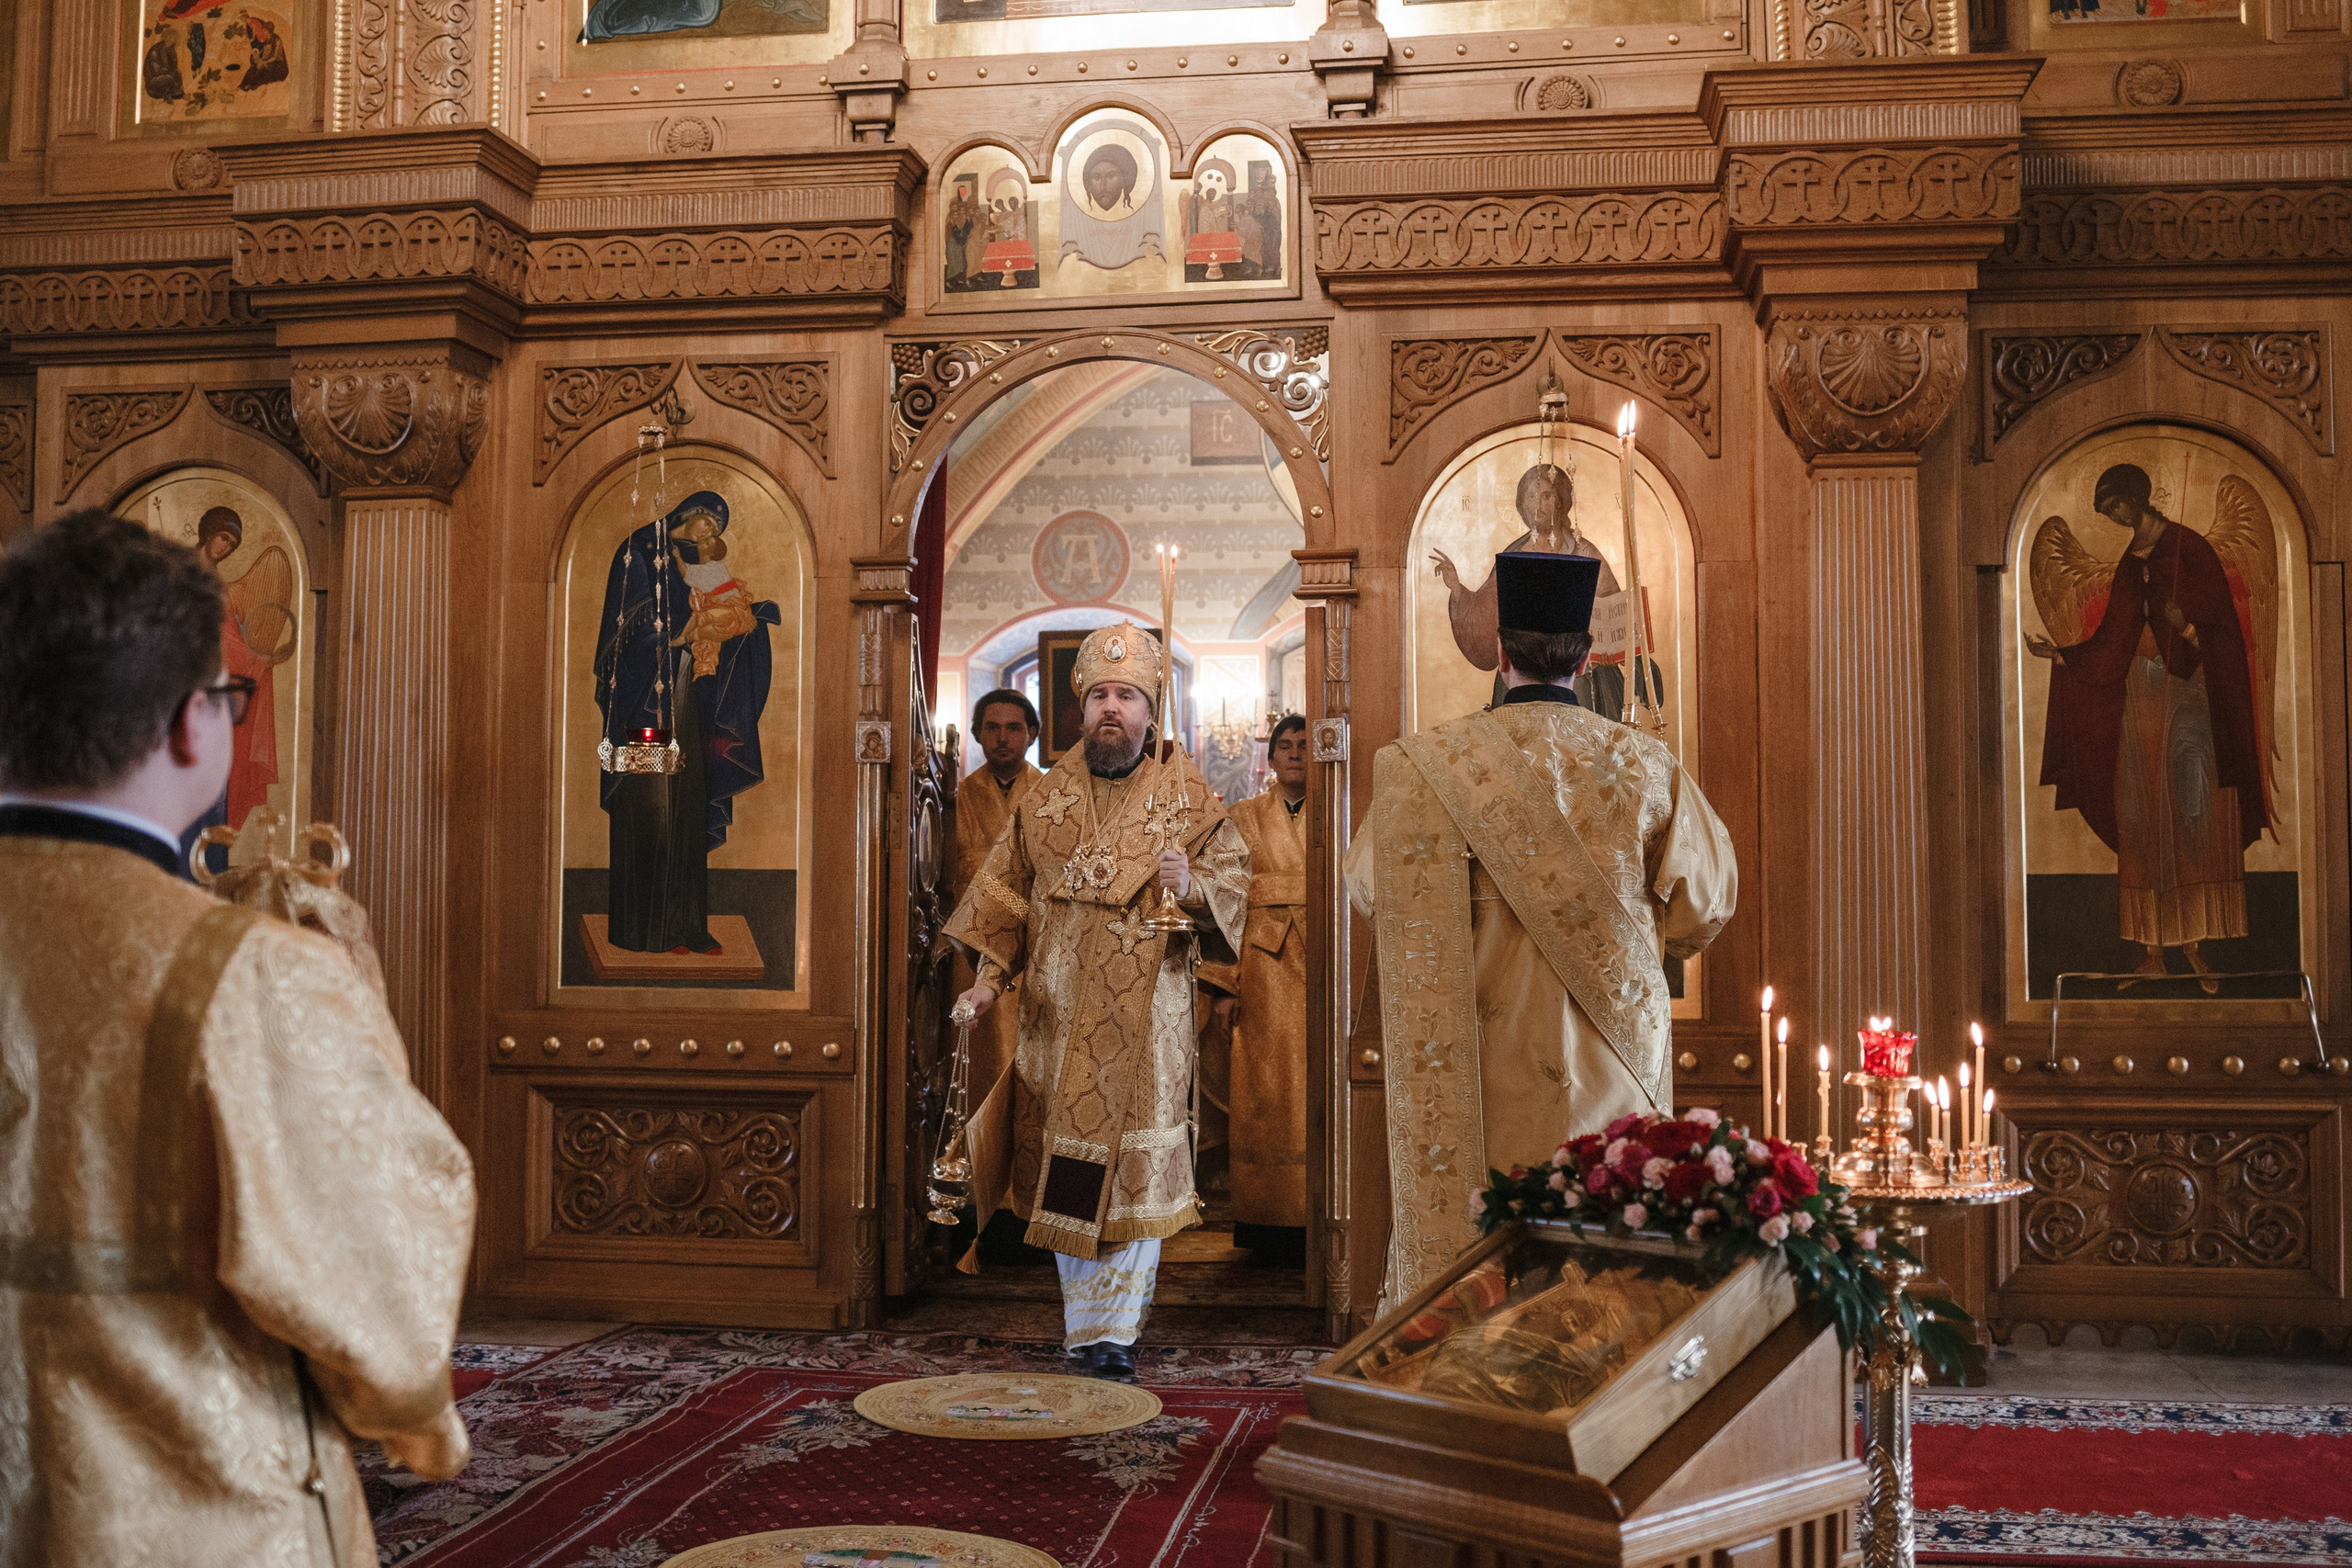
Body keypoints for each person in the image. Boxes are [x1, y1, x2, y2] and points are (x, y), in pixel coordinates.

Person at [0, 512, 476, 1566]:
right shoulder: (250, 974)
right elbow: (383, 1307)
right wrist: (415, 1416)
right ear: (191, 724)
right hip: (187, 1516)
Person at [1346, 552, 1736, 1310]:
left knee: (1491, 1256)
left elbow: (1372, 890)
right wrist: (1646, 943)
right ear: (1587, 656)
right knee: (1605, 1260)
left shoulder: (1421, 767)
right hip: (1612, 1060)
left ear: (1498, 651)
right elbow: (1706, 902)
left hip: (1476, 1069)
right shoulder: (1645, 763)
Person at [944, 622, 1249, 1378]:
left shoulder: (1188, 797)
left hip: (1148, 1025)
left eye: (1129, 696)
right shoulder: (1043, 804)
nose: (1113, 708)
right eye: (1101, 694)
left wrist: (1195, 887)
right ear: (1080, 708)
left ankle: (1112, 1327)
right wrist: (988, 981)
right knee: (1071, 1172)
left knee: (1130, 1172)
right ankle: (1094, 1329)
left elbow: (1235, 889)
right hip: (1057, 1015)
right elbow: (1005, 899)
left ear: (1151, 711)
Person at [2027, 462, 2268, 986]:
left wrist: (2189, 625)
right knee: (2140, 816)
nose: (2115, 516)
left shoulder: (2191, 551)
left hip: (2189, 701)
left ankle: (2198, 948)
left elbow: (2226, 634)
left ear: (2139, 498)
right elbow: (2113, 638)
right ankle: (2152, 954)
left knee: (2192, 809)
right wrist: (2063, 656)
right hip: (2140, 700)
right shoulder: (2129, 562)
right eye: (2107, 510)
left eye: (2118, 504)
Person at [592, 489, 779, 955]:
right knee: (651, 809)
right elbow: (620, 638)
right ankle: (645, 929)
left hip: (687, 701)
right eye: (709, 523)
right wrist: (679, 635)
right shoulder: (638, 553)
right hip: (642, 712)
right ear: (689, 514)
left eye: (717, 530)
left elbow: (723, 614)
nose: (711, 534)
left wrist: (746, 626)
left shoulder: (701, 566)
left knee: (689, 808)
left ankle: (687, 926)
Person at [1197, 714, 1312, 1256]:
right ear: (1270, 756)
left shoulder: (1345, 809)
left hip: (1325, 958)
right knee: (1264, 1089)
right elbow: (1221, 903)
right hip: (1261, 971)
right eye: (1284, 745)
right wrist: (1222, 986)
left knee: (1319, 1087)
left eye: (1305, 744)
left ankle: (1322, 1212)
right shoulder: (1242, 816)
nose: (1294, 753)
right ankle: (1264, 1220)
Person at [950, 688, 1046, 1100]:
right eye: (992, 728)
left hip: (1035, 949)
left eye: (1013, 728)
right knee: (978, 1064)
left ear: (1031, 735)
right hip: (970, 949)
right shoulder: (953, 799)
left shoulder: (1054, 796)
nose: (1002, 737)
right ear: (977, 734)